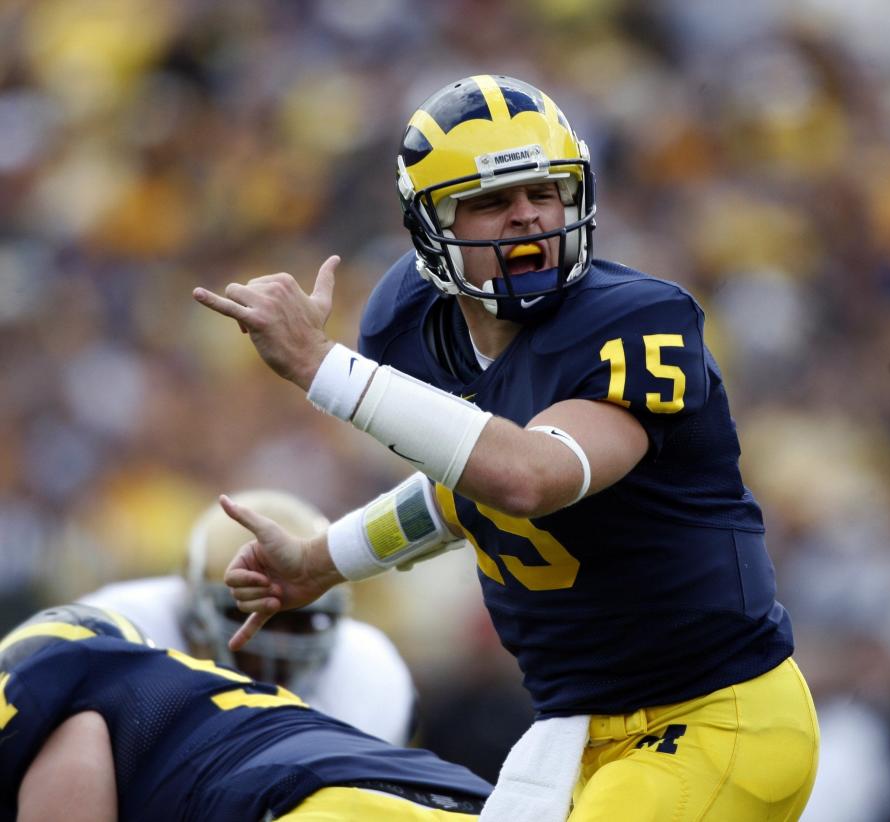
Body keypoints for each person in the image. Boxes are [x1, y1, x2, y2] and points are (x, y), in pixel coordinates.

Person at [193, 74, 820, 821]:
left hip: (716, 716)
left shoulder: (636, 319)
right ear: (432, 227)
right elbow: (466, 496)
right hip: (574, 734)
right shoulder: (412, 327)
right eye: (491, 201)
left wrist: (320, 368)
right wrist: (320, 561)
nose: (526, 217)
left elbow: (528, 478)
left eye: (543, 192)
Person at [0, 603, 491, 821]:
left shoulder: (57, 689)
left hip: (318, 805)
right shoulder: (186, 695)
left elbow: (75, 749)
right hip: (462, 797)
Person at [80, 489, 416, 746]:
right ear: (190, 605)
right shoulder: (122, 632)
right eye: (247, 609)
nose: (280, 643)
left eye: (299, 621)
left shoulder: (366, 673)